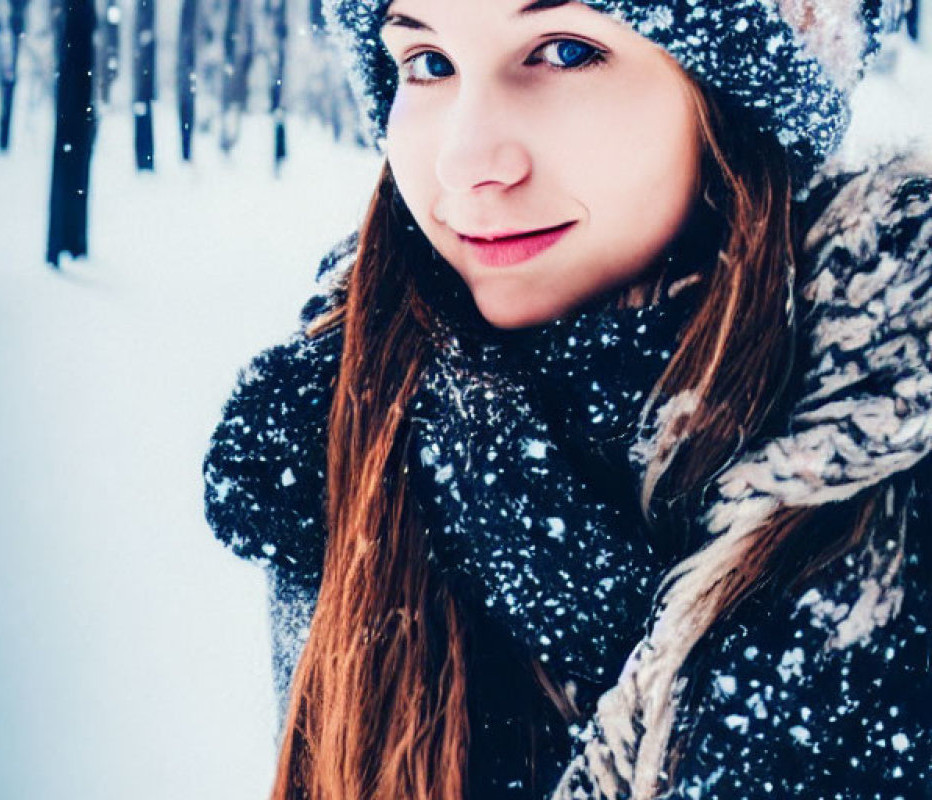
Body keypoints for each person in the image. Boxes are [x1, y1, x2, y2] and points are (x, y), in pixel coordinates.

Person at [202, 0, 932, 797]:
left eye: (563, 50)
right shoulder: (353, 433)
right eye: (429, 63)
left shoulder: (898, 463)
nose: (465, 161)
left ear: (743, 93)